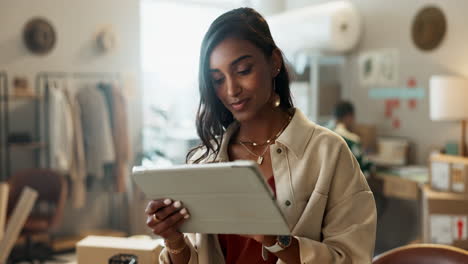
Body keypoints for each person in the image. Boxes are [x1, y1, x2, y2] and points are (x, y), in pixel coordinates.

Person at [145, 8, 376, 264]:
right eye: (218, 79)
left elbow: (353, 258)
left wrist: (276, 240)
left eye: (243, 70)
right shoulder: (204, 160)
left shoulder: (328, 153)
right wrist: (174, 240)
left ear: (274, 62)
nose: (231, 90)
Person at [328, 101, 374, 177]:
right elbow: (361, 167)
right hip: (345, 184)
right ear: (348, 117)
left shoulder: (322, 132)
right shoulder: (351, 140)